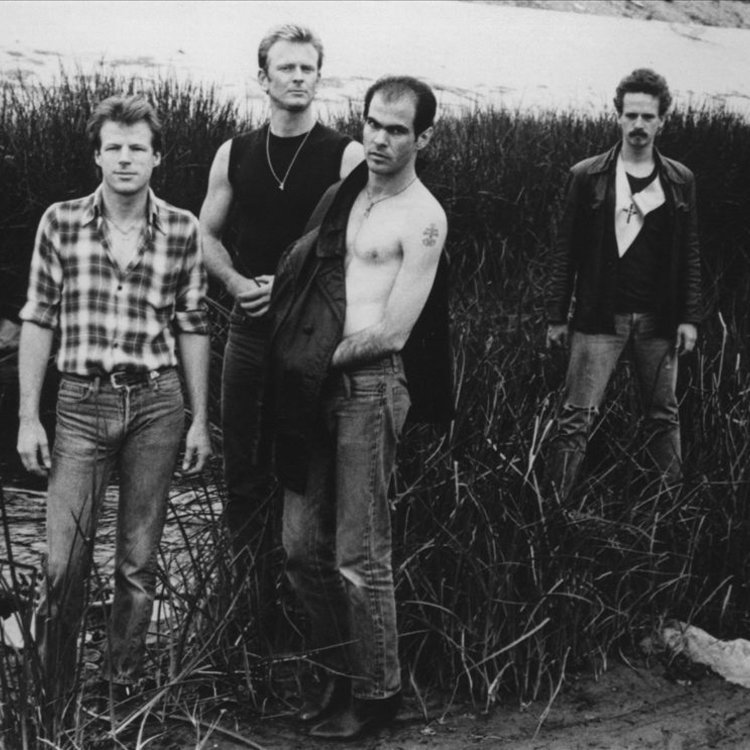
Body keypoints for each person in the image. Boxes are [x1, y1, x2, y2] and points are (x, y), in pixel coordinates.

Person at [16, 95, 211, 719]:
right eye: (114, 147)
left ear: (157, 157)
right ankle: (53, 692)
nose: (125, 158)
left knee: (138, 562)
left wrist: (200, 420)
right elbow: (38, 318)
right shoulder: (60, 221)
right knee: (64, 563)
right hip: (80, 403)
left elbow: (192, 324)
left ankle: (121, 688)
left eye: (137, 148)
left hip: (158, 404)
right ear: (97, 155)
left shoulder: (182, 227)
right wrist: (28, 416)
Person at [267, 75, 448, 740]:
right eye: (373, 123)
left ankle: (376, 696)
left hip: (369, 389)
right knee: (299, 549)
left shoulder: (423, 217)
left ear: (424, 137)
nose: (380, 138)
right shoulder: (344, 194)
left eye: (397, 129)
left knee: (359, 554)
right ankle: (337, 674)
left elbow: (394, 332)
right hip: (314, 387)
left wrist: (316, 360)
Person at [198, 24, 363, 572]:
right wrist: (235, 284)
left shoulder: (346, 155)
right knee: (241, 460)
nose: (297, 77)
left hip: (314, 331)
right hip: (249, 324)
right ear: (262, 78)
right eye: (286, 68)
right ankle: (246, 587)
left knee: (302, 459)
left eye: (307, 68)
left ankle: (300, 585)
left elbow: (360, 250)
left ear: (319, 77)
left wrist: (292, 287)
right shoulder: (235, 152)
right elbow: (206, 234)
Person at [545, 68, 702, 500]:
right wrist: (557, 316)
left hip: (658, 321)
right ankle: (553, 511)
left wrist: (689, 317)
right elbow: (564, 252)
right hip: (598, 318)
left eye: (648, 116)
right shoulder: (587, 175)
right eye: (630, 115)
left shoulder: (680, 180)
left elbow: (689, 254)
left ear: (662, 121)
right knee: (576, 417)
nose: (638, 125)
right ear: (617, 116)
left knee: (663, 417)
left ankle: (671, 512)